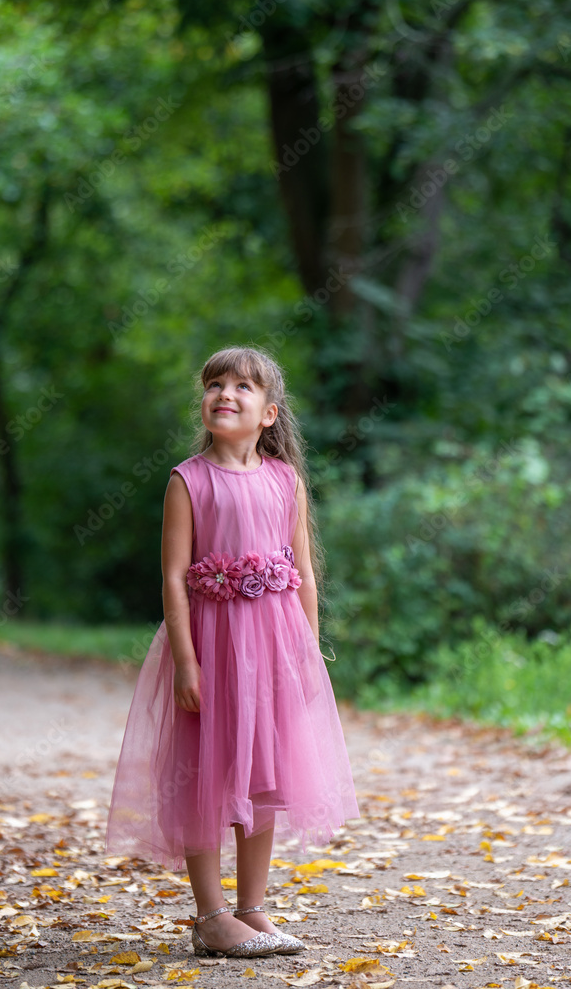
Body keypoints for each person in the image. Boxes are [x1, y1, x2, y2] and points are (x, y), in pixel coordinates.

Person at [105, 345, 360, 958]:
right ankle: (211, 916)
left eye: (243, 386)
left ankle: (252, 906)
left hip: (273, 651)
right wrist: (188, 662)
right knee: (204, 773)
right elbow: (173, 577)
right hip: (212, 647)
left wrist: (305, 652)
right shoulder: (187, 480)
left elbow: (303, 573)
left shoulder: (285, 482)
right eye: (215, 383)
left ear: (269, 413)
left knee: (264, 774)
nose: (225, 392)